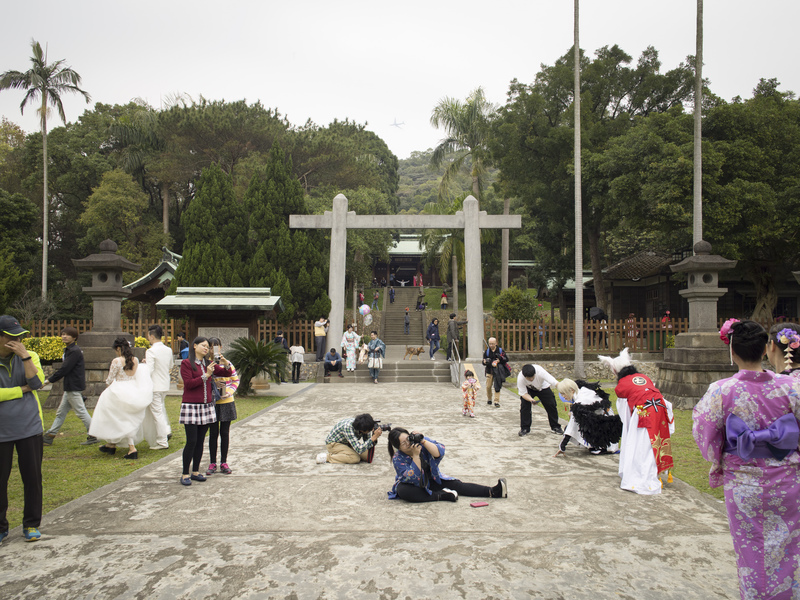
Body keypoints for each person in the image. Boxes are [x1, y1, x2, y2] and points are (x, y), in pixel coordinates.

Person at [693, 319, 800, 598]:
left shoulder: (721, 390)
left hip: (743, 483)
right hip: (788, 480)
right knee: (786, 549)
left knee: (750, 551)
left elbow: (704, 431)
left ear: (732, 351)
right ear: (766, 349)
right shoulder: (791, 387)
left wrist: (718, 458)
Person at [599, 348, 674, 495]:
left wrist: (629, 427)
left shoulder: (622, 386)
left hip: (643, 413)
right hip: (660, 409)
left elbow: (624, 410)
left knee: (642, 445)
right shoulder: (644, 377)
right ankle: (654, 472)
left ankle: (642, 476)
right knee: (655, 443)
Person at [0, 315, 45, 542]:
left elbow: (37, 384)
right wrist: (20, 390)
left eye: (20, 336)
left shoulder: (31, 356)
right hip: (2, 432)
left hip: (29, 427)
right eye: (11, 336)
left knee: (32, 478)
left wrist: (25, 356)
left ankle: (31, 524)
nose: (17, 340)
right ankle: (1, 527)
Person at [387, 428, 507, 502]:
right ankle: (441, 496)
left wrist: (423, 440)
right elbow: (414, 478)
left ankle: (493, 491)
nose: (408, 444)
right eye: (403, 443)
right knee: (403, 491)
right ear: (398, 447)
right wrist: (415, 456)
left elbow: (440, 451)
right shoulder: (397, 458)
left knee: (458, 485)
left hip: (432, 478)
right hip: (414, 485)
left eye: (408, 439)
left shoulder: (419, 442)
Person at [178, 336, 233, 486]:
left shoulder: (209, 363)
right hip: (191, 406)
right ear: (194, 346)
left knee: (201, 441)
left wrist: (225, 363)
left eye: (207, 346)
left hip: (206, 406)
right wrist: (206, 375)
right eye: (203, 345)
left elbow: (227, 373)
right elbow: (188, 384)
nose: (206, 348)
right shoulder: (186, 364)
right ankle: (184, 473)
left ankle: (195, 471)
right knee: (192, 441)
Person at [89, 337, 154, 460]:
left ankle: (131, 448)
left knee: (116, 418)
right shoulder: (135, 360)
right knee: (124, 418)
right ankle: (111, 444)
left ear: (118, 348)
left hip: (118, 389)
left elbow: (110, 379)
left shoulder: (116, 361)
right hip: (132, 389)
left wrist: (108, 385)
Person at [42, 327, 95, 446]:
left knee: (81, 411)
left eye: (67, 335)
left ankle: (94, 434)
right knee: (61, 412)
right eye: (63, 334)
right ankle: (50, 436)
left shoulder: (74, 351)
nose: (64, 336)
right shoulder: (70, 350)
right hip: (70, 386)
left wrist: (49, 380)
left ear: (74, 337)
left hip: (73, 386)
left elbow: (65, 368)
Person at [553, 379, 621, 456]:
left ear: (571, 390)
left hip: (605, 426)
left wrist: (562, 446)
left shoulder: (581, 401)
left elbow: (572, 425)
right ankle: (596, 445)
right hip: (602, 419)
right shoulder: (583, 390)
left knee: (577, 426)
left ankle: (601, 447)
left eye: (563, 394)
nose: (563, 397)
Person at [205, 337, 240, 476]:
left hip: (226, 402)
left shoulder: (227, 363)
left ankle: (224, 462)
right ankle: (212, 462)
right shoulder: (207, 364)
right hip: (212, 403)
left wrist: (229, 392)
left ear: (220, 347)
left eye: (217, 346)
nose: (214, 349)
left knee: (224, 433)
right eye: (211, 346)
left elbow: (235, 380)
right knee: (213, 433)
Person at [143, 324, 173, 450]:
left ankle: (162, 441)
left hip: (155, 385)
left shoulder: (151, 351)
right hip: (165, 384)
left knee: (157, 413)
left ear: (151, 336)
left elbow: (149, 370)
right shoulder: (168, 350)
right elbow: (170, 366)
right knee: (160, 410)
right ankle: (166, 431)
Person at [516, 363, 563, 436]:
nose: (531, 379)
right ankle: (525, 428)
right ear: (525, 376)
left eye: (533, 377)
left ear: (535, 373)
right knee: (525, 407)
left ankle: (555, 426)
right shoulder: (520, 378)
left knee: (551, 404)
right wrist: (531, 399)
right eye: (529, 378)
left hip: (543, 387)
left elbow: (554, 381)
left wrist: (562, 388)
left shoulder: (540, 371)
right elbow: (523, 393)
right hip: (529, 389)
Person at [482, 337, 509, 408]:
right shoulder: (487, 352)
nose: (491, 345)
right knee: (488, 386)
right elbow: (483, 361)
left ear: (496, 343)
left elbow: (506, 359)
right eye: (490, 344)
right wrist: (484, 362)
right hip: (489, 371)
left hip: (498, 371)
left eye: (492, 344)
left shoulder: (500, 351)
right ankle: (489, 398)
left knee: (497, 386)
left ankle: (496, 401)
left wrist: (499, 360)